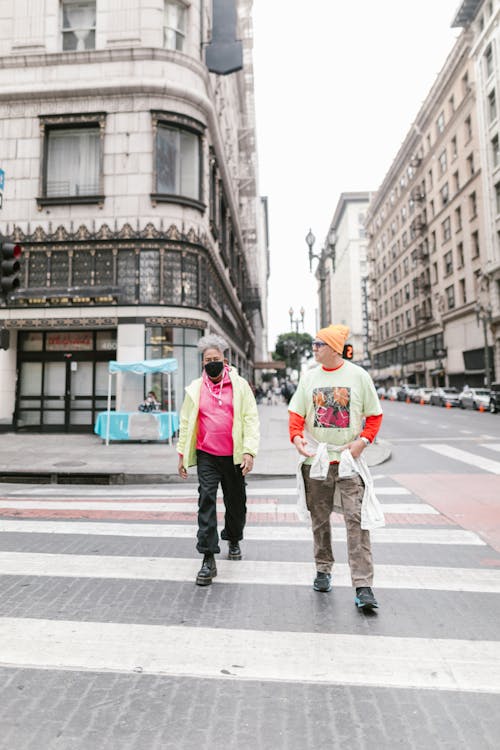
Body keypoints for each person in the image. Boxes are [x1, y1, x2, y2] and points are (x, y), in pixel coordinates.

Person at [288, 323, 383, 610]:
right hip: (316, 461)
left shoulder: (358, 376)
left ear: (332, 348)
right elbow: (296, 413)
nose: (314, 348)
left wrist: (362, 441)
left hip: (348, 461)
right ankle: (323, 569)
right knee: (320, 520)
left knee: (357, 521)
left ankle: (363, 585)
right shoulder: (309, 378)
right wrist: (296, 438)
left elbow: (374, 415)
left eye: (318, 344)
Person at [177, 334, 260, 586]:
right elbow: (185, 423)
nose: (212, 363)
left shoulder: (240, 386)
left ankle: (233, 538)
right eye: (207, 360)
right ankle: (208, 557)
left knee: (236, 502)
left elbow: (250, 419)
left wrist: (249, 451)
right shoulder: (194, 389)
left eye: (216, 359)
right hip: (207, 455)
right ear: (202, 363)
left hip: (234, 456)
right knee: (206, 499)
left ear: (225, 360)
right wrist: (182, 455)